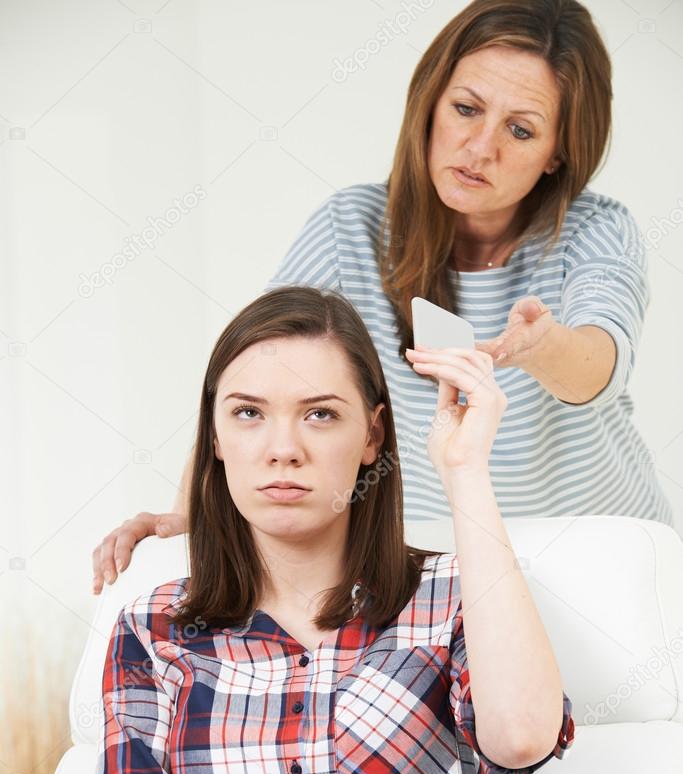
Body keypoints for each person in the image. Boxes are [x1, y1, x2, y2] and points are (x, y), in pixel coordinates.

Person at [0, 286, 591, 774]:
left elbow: (522, 734)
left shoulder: (456, 591)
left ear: (372, 436)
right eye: (248, 413)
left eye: (320, 414)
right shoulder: (153, 626)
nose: (283, 447)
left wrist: (465, 468)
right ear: (215, 436)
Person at [91, 0, 673, 596]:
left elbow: (597, 364)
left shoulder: (598, 230)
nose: (479, 148)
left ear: (558, 151)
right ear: (430, 101)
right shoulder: (351, 227)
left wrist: (544, 346)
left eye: (519, 129)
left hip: (599, 552)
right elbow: (261, 375)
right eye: (465, 109)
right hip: (431, 553)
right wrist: (196, 515)